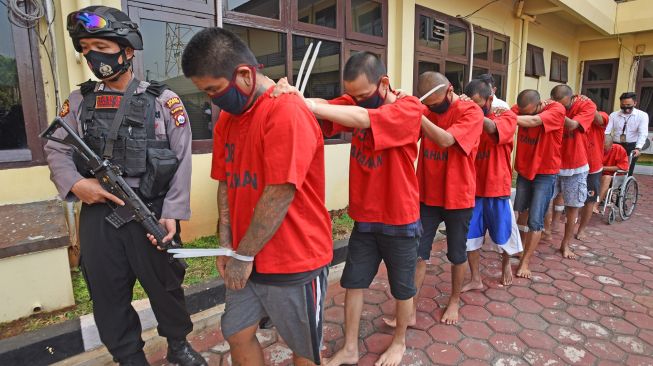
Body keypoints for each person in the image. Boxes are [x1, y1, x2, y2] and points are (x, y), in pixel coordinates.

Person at [44, 6, 205, 366]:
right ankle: (129, 357)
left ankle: (178, 345)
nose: (92, 55)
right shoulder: (79, 101)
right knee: (107, 294)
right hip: (99, 215)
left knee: (166, 286)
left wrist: (174, 214)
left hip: (151, 210)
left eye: (100, 44)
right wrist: (76, 183)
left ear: (127, 50)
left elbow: (181, 160)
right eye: (85, 48)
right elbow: (56, 147)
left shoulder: (164, 101)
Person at [181, 27, 333, 366]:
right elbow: (225, 181)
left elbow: (280, 191)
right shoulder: (229, 120)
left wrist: (243, 255)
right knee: (237, 332)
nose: (211, 99)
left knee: (304, 348)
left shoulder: (286, 111)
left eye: (214, 90)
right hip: (245, 256)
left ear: (245, 75)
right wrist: (226, 244)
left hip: (295, 257)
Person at [274, 51, 423, 366]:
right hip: (365, 216)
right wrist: (295, 96)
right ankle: (351, 347)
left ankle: (399, 342)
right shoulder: (356, 100)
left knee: (403, 286)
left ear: (383, 83)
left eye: (363, 95)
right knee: (353, 282)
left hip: (400, 217)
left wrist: (310, 104)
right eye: (353, 95)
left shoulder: (408, 107)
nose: (357, 101)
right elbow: (328, 107)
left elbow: (363, 119)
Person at [413, 72, 483, 324]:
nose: (432, 108)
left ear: (450, 90)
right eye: (428, 104)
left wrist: (418, 114)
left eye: (435, 103)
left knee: (456, 253)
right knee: (418, 252)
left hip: (458, 196)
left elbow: (445, 140)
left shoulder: (471, 112)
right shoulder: (427, 109)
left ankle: (454, 300)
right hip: (427, 193)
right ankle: (410, 307)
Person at [459, 79, 521, 291]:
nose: (475, 108)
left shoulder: (506, 116)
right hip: (472, 189)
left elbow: (493, 128)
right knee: (470, 238)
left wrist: (472, 112)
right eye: (471, 104)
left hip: (497, 187)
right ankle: (475, 278)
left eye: (479, 104)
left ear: (490, 99)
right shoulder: (464, 116)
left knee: (504, 234)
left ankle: (506, 265)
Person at [511, 90, 566, 279]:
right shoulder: (522, 108)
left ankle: (526, 262)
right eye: (522, 112)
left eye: (529, 113)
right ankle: (519, 249)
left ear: (539, 105)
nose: (525, 116)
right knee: (522, 213)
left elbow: (534, 122)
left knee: (536, 219)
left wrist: (510, 118)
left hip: (545, 173)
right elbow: (506, 114)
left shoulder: (556, 109)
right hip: (525, 172)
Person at [549, 86, 597, 259]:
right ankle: (546, 233)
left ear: (571, 98)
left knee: (573, 207)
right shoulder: (552, 104)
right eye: (556, 104)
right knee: (544, 202)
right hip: (552, 162)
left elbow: (573, 125)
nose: (560, 107)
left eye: (563, 105)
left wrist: (556, 112)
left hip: (576, 165)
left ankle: (566, 244)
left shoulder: (587, 105)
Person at [576, 110, 607, 237]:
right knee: (568, 198)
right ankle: (559, 225)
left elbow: (600, 119)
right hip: (575, 166)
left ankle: (581, 229)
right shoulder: (575, 119)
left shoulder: (600, 116)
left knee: (589, 200)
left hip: (592, 168)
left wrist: (587, 106)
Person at [605, 92, 650, 175]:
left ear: (635, 103)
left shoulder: (642, 115)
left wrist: (638, 148)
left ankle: (624, 185)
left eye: (628, 104)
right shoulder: (613, 115)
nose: (626, 107)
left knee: (627, 169)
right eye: (623, 105)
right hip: (615, 144)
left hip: (632, 146)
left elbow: (643, 133)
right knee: (611, 166)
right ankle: (610, 184)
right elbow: (606, 131)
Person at [599, 135, 630, 204]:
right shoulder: (597, 148)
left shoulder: (619, 149)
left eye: (605, 149)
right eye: (602, 148)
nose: (603, 151)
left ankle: (595, 205)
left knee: (606, 177)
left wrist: (603, 168)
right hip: (599, 174)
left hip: (616, 176)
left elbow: (624, 167)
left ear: (611, 145)